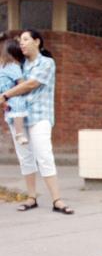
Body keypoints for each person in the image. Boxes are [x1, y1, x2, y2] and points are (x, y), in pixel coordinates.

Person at [0, 30, 74, 214]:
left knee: (44, 155)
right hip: (18, 118)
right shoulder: (19, 64)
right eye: (20, 41)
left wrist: (6, 95)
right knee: (25, 158)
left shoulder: (47, 63)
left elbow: (30, 84)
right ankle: (31, 197)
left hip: (40, 117)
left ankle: (57, 200)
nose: (22, 44)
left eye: (26, 40)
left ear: (37, 41)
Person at [0, 39, 28, 145]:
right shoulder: (14, 66)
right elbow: (22, 84)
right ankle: (19, 133)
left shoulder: (2, 66)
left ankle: (5, 106)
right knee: (18, 103)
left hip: (2, 93)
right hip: (9, 93)